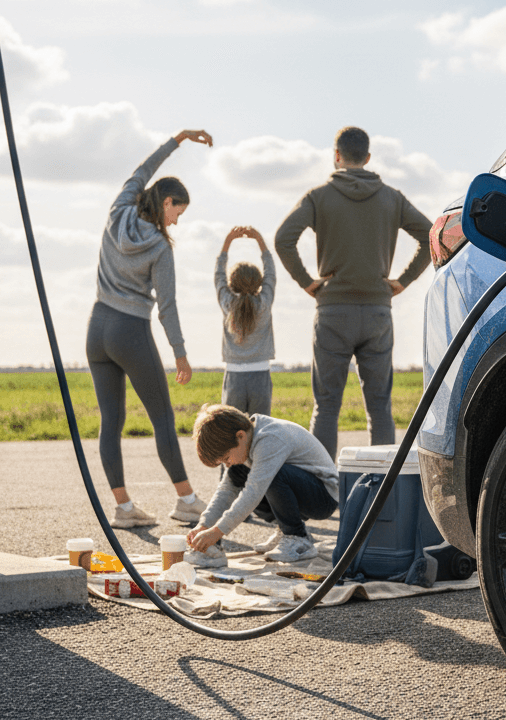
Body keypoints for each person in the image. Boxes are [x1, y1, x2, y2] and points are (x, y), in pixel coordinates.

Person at [274, 126, 431, 459]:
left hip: (332, 312)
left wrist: (307, 282)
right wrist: (403, 281)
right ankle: (381, 496)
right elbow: (431, 236)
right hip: (377, 312)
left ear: (336, 156)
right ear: (368, 157)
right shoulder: (393, 197)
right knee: (380, 407)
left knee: (327, 406)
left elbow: (283, 239)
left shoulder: (319, 196)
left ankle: (324, 483)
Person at [86, 128, 212, 529]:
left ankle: (123, 508)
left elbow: (144, 169)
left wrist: (177, 140)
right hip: (129, 331)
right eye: (179, 212)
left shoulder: (118, 209)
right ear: (168, 202)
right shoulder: (159, 247)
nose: (177, 220)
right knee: (160, 417)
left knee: (112, 421)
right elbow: (168, 307)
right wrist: (181, 353)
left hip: (96, 329)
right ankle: (187, 501)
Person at [185, 404, 338, 567]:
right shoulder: (244, 443)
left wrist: (217, 532)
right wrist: (205, 525)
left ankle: (298, 538)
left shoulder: (270, 439)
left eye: (226, 458)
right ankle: (286, 529)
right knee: (240, 476)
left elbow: (253, 493)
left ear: (240, 435)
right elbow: (227, 491)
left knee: (268, 478)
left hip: (323, 497)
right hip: (301, 490)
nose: (227, 465)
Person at [215, 226, 276, 417]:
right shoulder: (264, 303)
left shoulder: (228, 303)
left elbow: (218, 277)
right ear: (259, 283)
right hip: (261, 373)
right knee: (260, 430)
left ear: (232, 283)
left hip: (234, 375)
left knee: (232, 432)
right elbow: (271, 273)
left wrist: (227, 243)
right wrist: (260, 241)